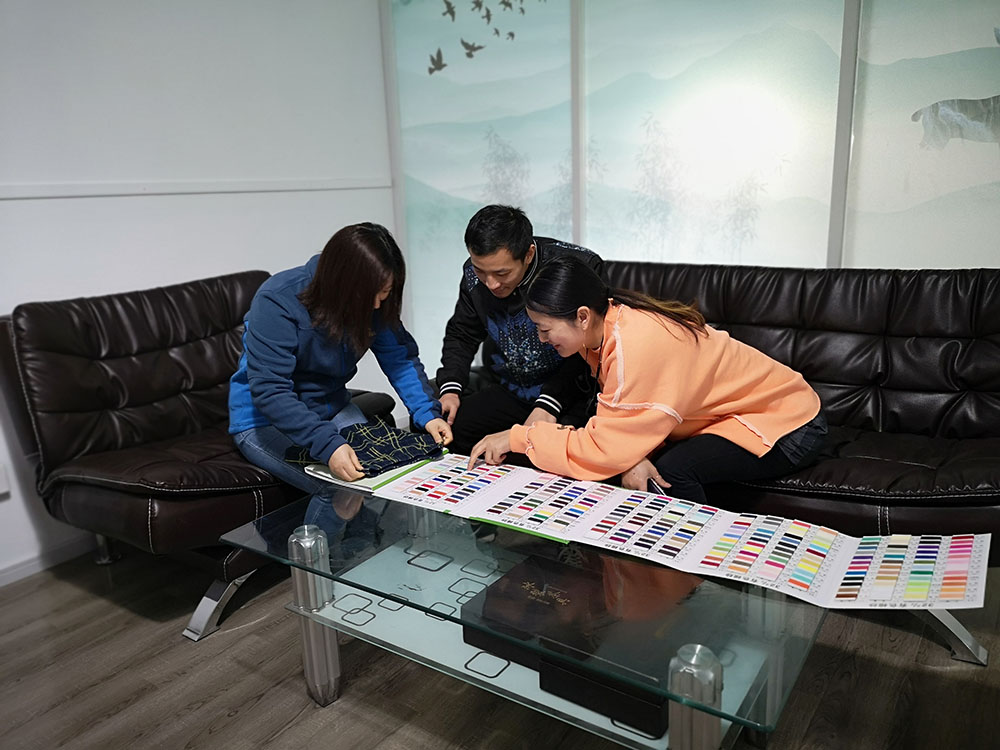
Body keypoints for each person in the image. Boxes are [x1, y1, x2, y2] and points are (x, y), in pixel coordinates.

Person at [468, 255, 827, 504]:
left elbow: (602, 447)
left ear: (582, 317)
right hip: (729, 416)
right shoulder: (607, 329)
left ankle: (692, 568)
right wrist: (627, 454)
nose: (542, 339)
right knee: (636, 466)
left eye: (545, 329)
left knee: (671, 472)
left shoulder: (633, 345)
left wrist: (518, 437)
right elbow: (619, 423)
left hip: (787, 422)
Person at [229, 223, 452, 533]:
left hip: (331, 406)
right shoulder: (277, 300)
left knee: (385, 472)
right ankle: (313, 563)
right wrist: (328, 445)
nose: (377, 306)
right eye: (371, 297)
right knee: (339, 488)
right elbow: (271, 391)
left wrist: (427, 413)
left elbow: (399, 358)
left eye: (385, 295)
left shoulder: (373, 301)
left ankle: (363, 553)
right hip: (263, 420)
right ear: (342, 283)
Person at [437, 205, 604, 456]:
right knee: (450, 429)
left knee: (546, 454)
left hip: (571, 393)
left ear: (528, 254)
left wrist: (549, 404)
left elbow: (590, 343)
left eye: (502, 273)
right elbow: (463, 333)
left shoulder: (578, 269)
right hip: (515, 389)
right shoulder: (474, 276)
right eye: (481, 271)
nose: (491, 284)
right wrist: (450, 388)